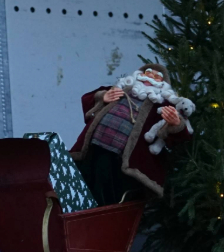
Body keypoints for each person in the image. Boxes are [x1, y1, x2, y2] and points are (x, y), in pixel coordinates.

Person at [70, 63, 192, 206]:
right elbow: (88, 99)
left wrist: (175, 124)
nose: (151, 77)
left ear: (163, 85)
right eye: (148, 72)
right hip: (92, 148)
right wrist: (104, 96)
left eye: (157, 76)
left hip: (120, 160)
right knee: (81, 183)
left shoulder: (161, 105)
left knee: (104, 193)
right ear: (138, 75)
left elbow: (180, 138)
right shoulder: (120, 90)